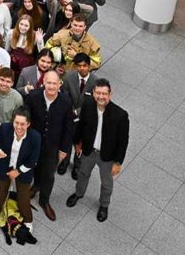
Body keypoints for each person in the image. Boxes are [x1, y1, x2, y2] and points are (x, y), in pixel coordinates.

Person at [66, 78, 128, 222]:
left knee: (106, 183)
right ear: (93, 93)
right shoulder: (88, 106)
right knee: (83, 174)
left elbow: (123, 142)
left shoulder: (121, 115)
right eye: (98, 93)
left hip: (107, 156)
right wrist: (77, 143)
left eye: (104, 93)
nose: (101, 96)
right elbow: (81, 126)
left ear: (110, 94)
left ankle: (104, 205)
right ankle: (79, 193)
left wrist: (118, 163)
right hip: (89, 151)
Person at [24, 70, 74, 221]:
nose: (51, 86)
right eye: (49, 82)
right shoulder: (33, 97)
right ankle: (35, 186)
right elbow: (26, 119)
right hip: (34, 143)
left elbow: (68, 128)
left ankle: (44, 200)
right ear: (43, 82)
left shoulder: (66, 101)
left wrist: (64, 149)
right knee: (34, 167)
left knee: (49, 173)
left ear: (60, 84)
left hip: (53, 145)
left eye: (54, 83)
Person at [0, 107, 41, 240]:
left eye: (22, 124)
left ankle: (28, 219)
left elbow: (32, 160)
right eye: (16, 123)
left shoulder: (35, 137)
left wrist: (18, 172)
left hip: (23, 170)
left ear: (28, 124)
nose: (19, 127)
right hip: (5, 165)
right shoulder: (5, 128)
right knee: (0, 191)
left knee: (23, 198)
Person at [59, 52, 98, 177]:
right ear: (75, 66)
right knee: (67, 139)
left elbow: (95, 103)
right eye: (79, 66)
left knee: (80, 143)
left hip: (85, 120)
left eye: (85, 65)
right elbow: (65, 96)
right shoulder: (68, 77)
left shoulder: (96, 82)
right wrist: (70, 111)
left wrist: (77, 112)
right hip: (69, 117)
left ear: (89, 66)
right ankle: (64, 162)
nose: (82, 68)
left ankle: (77, 165)